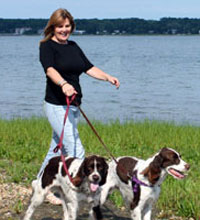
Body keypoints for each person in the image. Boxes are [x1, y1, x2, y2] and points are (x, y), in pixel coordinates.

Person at [38, 8, 120, 203]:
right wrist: (64, 84)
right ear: (53, 27)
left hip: (74, 106)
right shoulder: (47, 47)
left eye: (67, 26)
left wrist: (107, 77)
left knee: (56, 150)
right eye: (60, 26)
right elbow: (50, 70)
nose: (64, 30)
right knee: (75, 149)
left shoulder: (73, 46)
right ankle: (77, 189)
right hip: (57, 105)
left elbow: (88, 67)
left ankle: (41, 184)